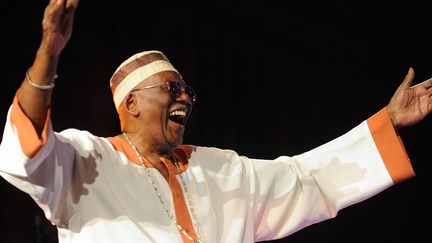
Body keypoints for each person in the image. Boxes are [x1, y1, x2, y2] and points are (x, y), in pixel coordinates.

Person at [0, 0, 431, 242]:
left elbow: (306, 178)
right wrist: (48, 56)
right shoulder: (86, 162)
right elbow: (28, 151)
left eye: (188, 90)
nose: (184, 97)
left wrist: (387, 121)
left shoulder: (220, 168)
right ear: (130, 104)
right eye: (171, 89)